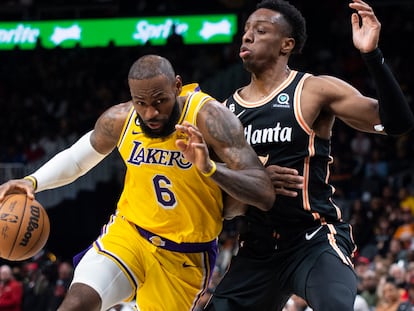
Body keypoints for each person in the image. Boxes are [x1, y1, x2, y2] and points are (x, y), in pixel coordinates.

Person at [0, 55, 275, 311]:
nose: (150, 113)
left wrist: (209, 167)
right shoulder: (121, 118)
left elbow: (263, 192)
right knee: (75, 305)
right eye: (141, 103)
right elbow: (77, 160)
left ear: (177, 86)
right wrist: (31, 182)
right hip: (130, 234)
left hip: (185, 256)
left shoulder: (210, 117)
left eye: (159, 101)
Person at [205, 0, 414, 310]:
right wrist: (256, 181)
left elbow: (397, 123)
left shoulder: (313, 90)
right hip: (256, 247)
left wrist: (371, 55)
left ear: (286, 45)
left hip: (313, 238)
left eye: (260, 31)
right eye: (246, 30)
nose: (247, 36)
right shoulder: (224, 112)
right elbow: (216, 193)